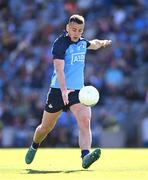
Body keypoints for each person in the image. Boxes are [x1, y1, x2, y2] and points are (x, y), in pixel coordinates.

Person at [25, 14, 111, 169]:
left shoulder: (83, 42)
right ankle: (34, 145)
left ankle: (85, 156)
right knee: (45, 128)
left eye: (79, 30)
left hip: (78, 92)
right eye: (73, 29)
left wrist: (104, 42)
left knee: (85, 121)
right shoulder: (60, 44)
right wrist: (64, 91)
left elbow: (94, 43)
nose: (76, 33)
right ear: (67, 28)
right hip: (58, 91)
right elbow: (59, 69)